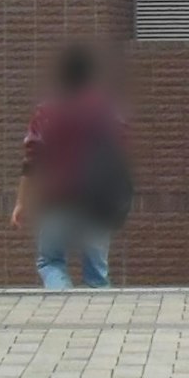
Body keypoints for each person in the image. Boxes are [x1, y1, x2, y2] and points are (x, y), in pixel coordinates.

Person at [12, 45, 130, 289]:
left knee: (50, 262)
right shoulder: (105, 108)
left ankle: (63, 309)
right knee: (97, 276)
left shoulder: (46, 111)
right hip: (97, 202)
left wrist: (21, 203)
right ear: (90, 75)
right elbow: (119, 147)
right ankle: (97, 322)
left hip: (58, 201)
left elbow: (31, 160)